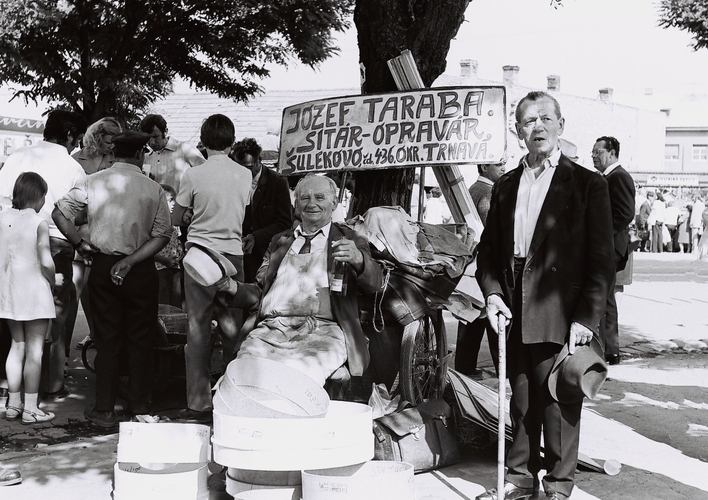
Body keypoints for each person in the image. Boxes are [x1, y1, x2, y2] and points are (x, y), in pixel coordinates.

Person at [475, 91, 614, 500]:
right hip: (512, 302)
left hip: (560, 305)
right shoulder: (505, 185)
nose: (537, 126)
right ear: (518, 132)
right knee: (519, 398)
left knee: (557, 401)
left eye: (545, 119)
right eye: (528, 121)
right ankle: (519, 479)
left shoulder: (588, 185)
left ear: (560, 126)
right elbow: (488, 252)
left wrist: (586, 318)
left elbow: (601, 259)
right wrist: (493, 294)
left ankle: (556, 486)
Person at [216, 175, 384, 387]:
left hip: (323, 331)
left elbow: (376, 283)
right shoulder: (281, 241)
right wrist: (231, 287)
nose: (311, 203)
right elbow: (260, 292)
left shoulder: (350, 239)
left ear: (334, 203)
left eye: (320, 197)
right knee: (242, 376)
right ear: (296, 205)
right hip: (271, 331)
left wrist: (359, 260)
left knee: (299, 380)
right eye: (304, 198)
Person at [52, 131, 172, 428]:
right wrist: (130, 261)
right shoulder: (153, 189)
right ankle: (139, 405)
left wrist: (79, 244)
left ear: (115, 153)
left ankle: (104, 407)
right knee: (140, 337)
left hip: (103, 267)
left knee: (107, 338)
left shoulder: (93, 181)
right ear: (141, 154)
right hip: (140, 268)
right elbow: (162, 235)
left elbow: (59, 213)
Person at [0, 110, 88, 401]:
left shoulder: (16, 159)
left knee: (10, 310)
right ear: (68, 136)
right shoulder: (73, 167)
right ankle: (50, 384)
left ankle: (9, 384)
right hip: (54, 241)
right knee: (55, 315)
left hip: (11, 238)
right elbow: (81, 212)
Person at [171, 114, 252, 424]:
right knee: (234, 330)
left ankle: (199, 403)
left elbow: (178, 217)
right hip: (233, 257)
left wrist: (193, 213)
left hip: (199, 258)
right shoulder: (245, 175)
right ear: (232, 142)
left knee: (198, 330)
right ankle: (234, 398)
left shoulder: (193, 175)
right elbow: (240, 211)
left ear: (203, 142)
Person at [0, 173, 56, 424]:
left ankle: (13, 404)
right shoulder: (39, 222)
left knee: (16, 347)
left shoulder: (2, 219)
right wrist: (54, 280)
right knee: (35, 350)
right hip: (34, 292)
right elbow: (46, 261)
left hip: (10, 291)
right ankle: (31, 407)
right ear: (39, 196)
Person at [70, 117, 123, 351]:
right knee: (85, 287)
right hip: (82, 228)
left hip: (110, 226)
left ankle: (106, 334)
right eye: (109, 141)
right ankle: (94, 332)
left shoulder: (117, 158)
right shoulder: (75, 159)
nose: (112, 146)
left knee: (105, 284)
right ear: (96, 137)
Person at [455, 162, 505, 377]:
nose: (503, 168)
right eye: (499, 165)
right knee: (492, 316)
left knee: (473, 318)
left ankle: (465, 368)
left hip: (473, 266)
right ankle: (504, 369)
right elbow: (493, 233)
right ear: (484, 167)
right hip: (483, 265)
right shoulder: (486, 193)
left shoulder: (474, 189)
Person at [591, 136, 635, 365]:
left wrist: (602, 235)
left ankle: (609, 350)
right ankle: (609, 349)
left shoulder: (619, 177)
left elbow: (626, 213)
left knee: (604, 297)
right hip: (606, 245)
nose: (594, 157)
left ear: (612, 153)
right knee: (605, 297)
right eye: (593, 153)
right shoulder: (607, 177)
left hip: (609, 246)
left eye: (598, 152)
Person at [229, 137, 293, 283]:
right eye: (238, 168)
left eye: (248, 168)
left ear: (259, 161)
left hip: (266, 254)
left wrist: (255, 237)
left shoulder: (277, 182)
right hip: (238, 251)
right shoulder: (232, 180)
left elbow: (284, 222)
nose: (242, 172)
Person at [139, 114, 205, 193]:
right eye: (148, 138)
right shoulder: (145, 156)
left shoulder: (185, 149)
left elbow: (206, 175)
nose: (152, 142)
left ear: (165, 131)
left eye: (156, 136)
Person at [154, 184, 183, 307]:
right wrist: (164, 260)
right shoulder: (155, 221)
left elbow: (178, 239)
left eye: (174, 200)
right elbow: (146, 247)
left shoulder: (174, 220)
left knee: (175, 301)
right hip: (160, 267)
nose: (174, 204)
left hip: (175, 266)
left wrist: (181, 249)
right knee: (163, 302)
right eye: (170, 200)